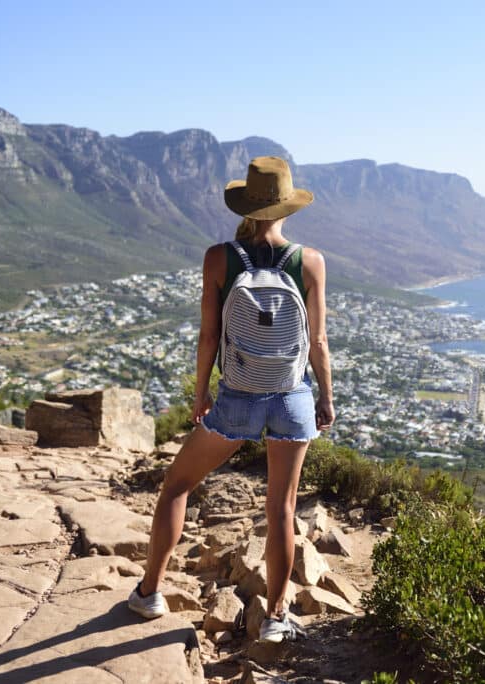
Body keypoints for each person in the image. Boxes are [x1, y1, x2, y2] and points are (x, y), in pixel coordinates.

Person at [127, 156, 334, 644]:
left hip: (237, 396)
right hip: (291, 396)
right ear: (287, 207)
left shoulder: (218, 258)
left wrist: (201, 392)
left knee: (177, 486)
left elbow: (208, 336)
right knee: (281, 509)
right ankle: (276, 618)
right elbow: (319, 342)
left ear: (245, 206)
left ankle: (149, 592)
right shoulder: (310, 261)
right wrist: (325, 398)